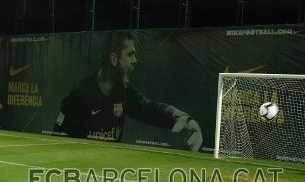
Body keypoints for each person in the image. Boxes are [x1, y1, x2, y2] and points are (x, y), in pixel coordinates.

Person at [53, 31, 203, 151]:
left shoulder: (123, 92)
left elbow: (150, 108)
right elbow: (57, 137)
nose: (135, 60)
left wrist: (182, 118)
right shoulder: (79, 95)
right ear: (114, 59)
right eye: (130, 54)